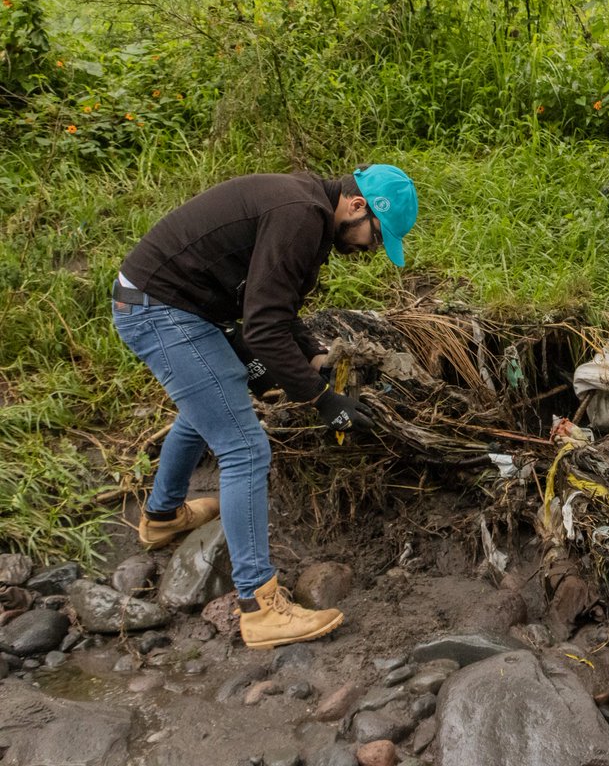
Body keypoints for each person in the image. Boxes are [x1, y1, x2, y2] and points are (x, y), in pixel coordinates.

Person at [113, 165, 417, 644]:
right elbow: (262, 328)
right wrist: (322, 399)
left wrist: (313, 356)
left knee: (212, 401)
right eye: (375, 237)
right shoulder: (300, 214)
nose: (370, 249)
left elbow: (275, 304)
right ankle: (259, 607)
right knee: (245, 449)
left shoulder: (308, 209)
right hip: (161, 310)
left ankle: (163, 517)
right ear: (358, 206)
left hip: (177, 304)